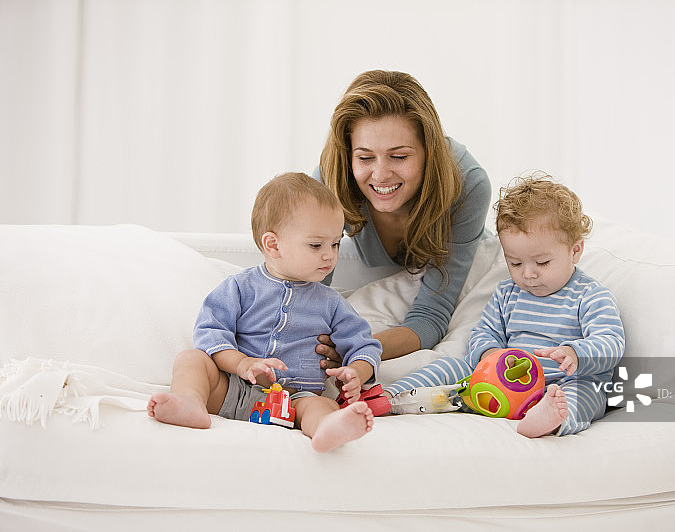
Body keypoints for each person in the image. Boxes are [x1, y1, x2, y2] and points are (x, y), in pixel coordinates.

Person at [147, 172, 382, 453]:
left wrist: (356, 371)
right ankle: (189, 402)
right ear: (273, 245)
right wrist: (241, 363)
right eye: (316, 245)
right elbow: (210, 334)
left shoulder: (332, 303)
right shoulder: (239, 288)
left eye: (335, 243)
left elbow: (364, 344)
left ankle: (325, 429)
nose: (329, 255)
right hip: (234, 391)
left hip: (296, 401)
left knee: (323, 406)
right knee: (191, 359)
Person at [385, 174, 625, 437]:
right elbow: (484, 332)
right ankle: (391, 396)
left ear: (575, 251)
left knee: (585, 394)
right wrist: (489, 355)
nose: (528, 274)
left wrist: (575, 353)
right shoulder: (507, 293)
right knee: (452, 366)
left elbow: (611, 342)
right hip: (503, 382)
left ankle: (548, 419)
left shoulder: (590, 295)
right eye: (516, 263)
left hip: (560, 382)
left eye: (542, 263)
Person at [312, 69, 492, 364]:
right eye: (365, 157)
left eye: (399, 157)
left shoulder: (467, 183)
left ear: (428, 152)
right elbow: (309, 290)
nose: (381, 175)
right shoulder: (331, 179)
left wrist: (357, 349)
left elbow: (431, 316)